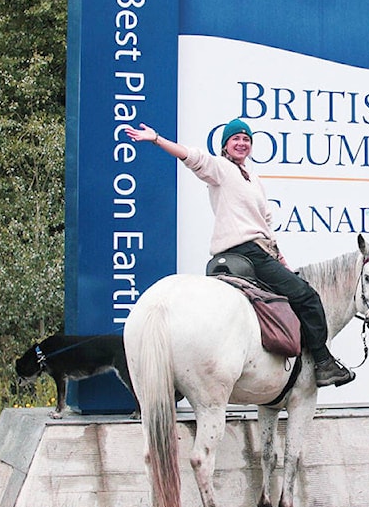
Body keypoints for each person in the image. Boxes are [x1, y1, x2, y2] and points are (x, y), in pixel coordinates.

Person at [125, 119, 355, 387]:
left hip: (258, 252)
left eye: (246, 139)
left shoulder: (253, 179)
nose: (242, 143)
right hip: (246, 253)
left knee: (291, 292)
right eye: (236, 139)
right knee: (308, 296)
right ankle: (324, 362)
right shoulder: (221, 168)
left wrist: (281, 261)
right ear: (225, 145)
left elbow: (265, 226)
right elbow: (192, 157)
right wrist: (156, 138)